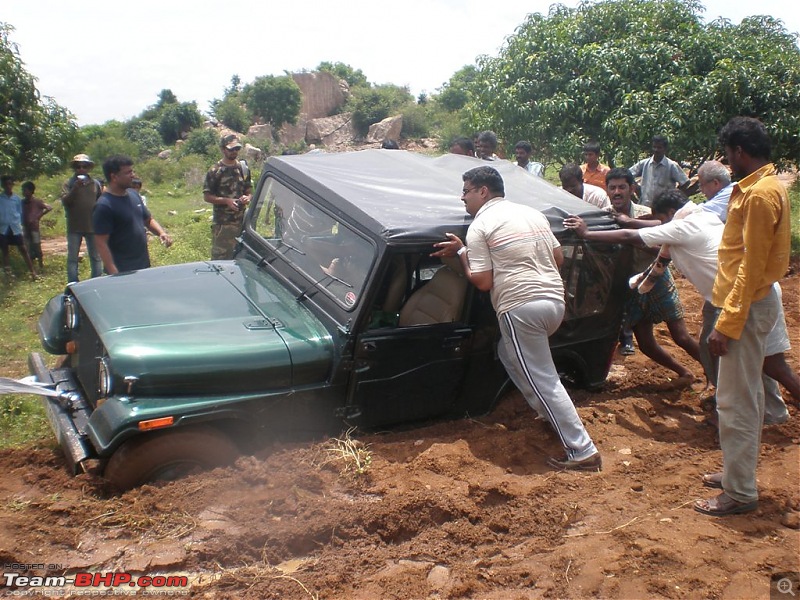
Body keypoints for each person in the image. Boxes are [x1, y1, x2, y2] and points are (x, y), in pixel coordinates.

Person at [432, 166, 601, 471]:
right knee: (507, 353)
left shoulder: (480, 225)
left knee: (544, 380)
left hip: (520, 307)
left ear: (483, 191)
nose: (462, 198)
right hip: (554, 303)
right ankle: (548, 412)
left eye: (466, 190)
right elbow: (559, 258)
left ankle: (582, 450)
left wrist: (461, 253)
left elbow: (482, 282)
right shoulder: (532, 214)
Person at [694, 118, 791, 517]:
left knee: (735, 402)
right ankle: (737, 473)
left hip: (746, 306)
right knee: (746, 395)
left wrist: (726, 323)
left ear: (738, 152)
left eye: (729, 154)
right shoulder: (764, 188)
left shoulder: (758, 196)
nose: (729, 161)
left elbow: (750, 267)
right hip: (750, 301)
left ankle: (739, 492)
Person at [565, 168, 701, 387]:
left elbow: (662, 250)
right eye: (612, 187)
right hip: (630, 286)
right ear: (606, 190)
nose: (617, 192)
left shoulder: (647, 214)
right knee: (646, 343)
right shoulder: (602, 215)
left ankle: (717, 375)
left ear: (632, 189)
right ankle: (684, 373)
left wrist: (630, 236)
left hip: (657, 278)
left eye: (622, 187)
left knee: (681, 336)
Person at [93, 155, 172, 274]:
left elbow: (148, 219)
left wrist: (161, 232)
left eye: (132, 171)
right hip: (122, 270)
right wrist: (113, 271)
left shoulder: (134, 195)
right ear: (114, 177)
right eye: (128, 172)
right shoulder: (104, 206)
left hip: (143, 266)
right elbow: (100, 242)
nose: (133, 175)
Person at [203, 134, 252, 260]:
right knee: (221, 260)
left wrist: (247, 198)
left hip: (242, 224)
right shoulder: (215, 171)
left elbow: (249, 190)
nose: (234, 152)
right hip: (223, 224)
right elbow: (207, 196)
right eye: (231, 149)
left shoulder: (243, 168)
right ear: (223, 149)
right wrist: (227, 201)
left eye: (237, 149)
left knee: (241, 258)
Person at [60, 153, 104, 283]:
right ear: (75, 168)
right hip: (74, 227)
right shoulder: (68, 183)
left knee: (96, 257)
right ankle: (73, 283)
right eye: (78, 167)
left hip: (92, 226)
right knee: (73, 258)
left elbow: (101, 202)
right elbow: (65, 202)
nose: (81, 169)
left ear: (88, 168)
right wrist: (75, 188)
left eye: (84, 166)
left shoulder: (95, 184)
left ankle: (96, 282)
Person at [629, 135, 689, 207]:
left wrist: (674, 196)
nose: (656, 150)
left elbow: (685, 182)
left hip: (663, 208)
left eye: (659, 147)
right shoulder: (645, 163)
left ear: (665, 149)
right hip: (645, 206)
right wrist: (636, 188)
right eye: (654, 147)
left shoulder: (671, 165)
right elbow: (628, 174)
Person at [0, 175, 38, 280]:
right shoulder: (1, 199)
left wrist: (20, 225)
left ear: (12, 185)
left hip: (15, 227)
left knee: (23, 249)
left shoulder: (16, 199)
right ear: (2, 185)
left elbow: (19, 212)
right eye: (6, 184)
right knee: (5, 250)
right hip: (3, 228)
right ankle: (8, 274)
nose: (8, 186)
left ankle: (32, 272)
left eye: (10, 184)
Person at [21, 181, 52, 271]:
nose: (23, 192)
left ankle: (40, 265)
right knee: (27, 247)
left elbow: (49, 207)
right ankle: (31, 267)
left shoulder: (37, 202)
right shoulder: (22, 202)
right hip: (25, 227)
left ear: (31, 191)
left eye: (25, 190)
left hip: (34, 228)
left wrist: (39, 216)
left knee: (37, 246)